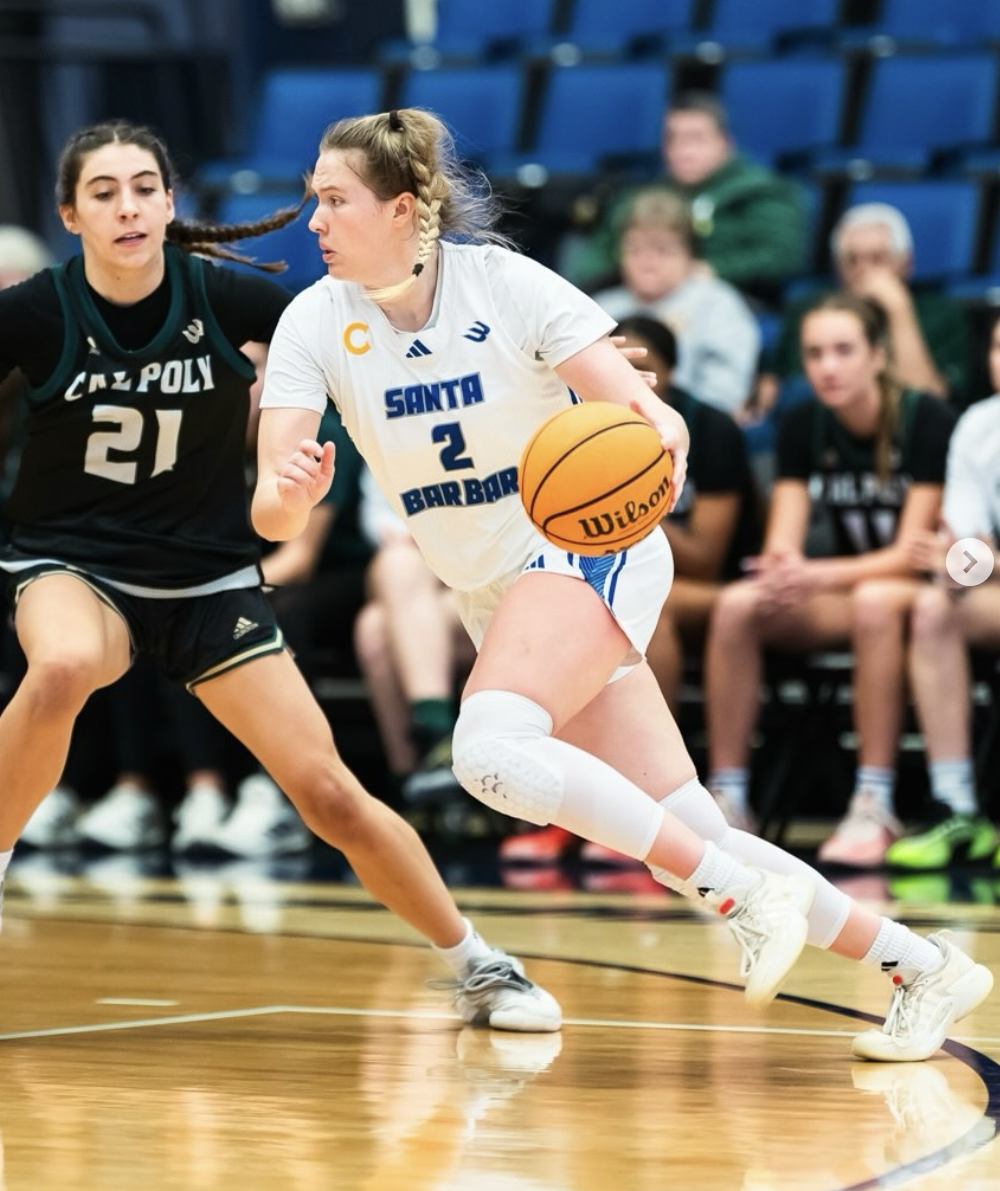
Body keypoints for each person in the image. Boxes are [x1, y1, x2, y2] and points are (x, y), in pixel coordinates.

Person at [254, 106, 992, 1059]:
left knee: (487, 753)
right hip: (495, 593)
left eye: (333, 200)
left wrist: (660, 444)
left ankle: (739, 898)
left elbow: (651, 416)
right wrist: (288, 493)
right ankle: (922, 966)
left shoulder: (507, 285)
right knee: (687, 827)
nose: (313, 220)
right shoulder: (314, 320)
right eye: (313, 199)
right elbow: (273, 514)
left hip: (582, 545)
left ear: (402, 208)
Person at [0, 120, 562, 1036]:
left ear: (171, 204)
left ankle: (479, 963)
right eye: (103, 193)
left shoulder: (237, 301)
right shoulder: (33, 310)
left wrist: (562, 365)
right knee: (62, 664)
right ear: (70, 215)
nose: (127, 207)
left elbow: (381, 328)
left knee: (329, 792)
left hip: (209, 576)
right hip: (75, 564)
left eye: (144, 188)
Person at [704, 293, 956, 866]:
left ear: (878, 356)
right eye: (815, 354)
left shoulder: (925, 418)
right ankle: (728, 798)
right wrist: (781, 567)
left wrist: (813, 573)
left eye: (844, 351)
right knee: (739, 604)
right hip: (843, 590)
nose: (828, 367)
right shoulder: (803, 423)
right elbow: (784, 537)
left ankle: (874, 801)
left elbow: (910, 554)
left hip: (916, 593)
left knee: (873, 601)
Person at [501, 315, 762, 865]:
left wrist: (628, 499)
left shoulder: (707, 428)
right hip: (605, 576)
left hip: (703, 587)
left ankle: (649, 803)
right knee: (568, 618)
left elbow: (707, 559)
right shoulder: (573, 425)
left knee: (637, 616)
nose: (619, 381)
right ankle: (573, 815)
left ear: (669, 375)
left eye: (640, 370)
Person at [884, 311, 1000, 870]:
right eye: (998, 347)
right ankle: (957, 807)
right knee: (934, 608)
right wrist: (959, 567)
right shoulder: (978, 425)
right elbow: (969, 553)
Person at [561, 91, 808, 304]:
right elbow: (593, 260)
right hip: (635, 300)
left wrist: (710, 269)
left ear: (726, 142)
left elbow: (782, 257)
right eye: (673, 139)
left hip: (727, 300)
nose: (683, 150)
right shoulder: (643, 197)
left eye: (696, 138)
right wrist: (632, 270)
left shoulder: (760, 191)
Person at [757, 202, 970, 425]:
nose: (863, 271)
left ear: (907, 263)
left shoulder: (940, 313)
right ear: (837, 268)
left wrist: (899, 311)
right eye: (852, 260)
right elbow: (787, 394)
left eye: (877, 259)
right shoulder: (811, 313)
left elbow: (931, 408)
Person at [590, 189, 761, 418]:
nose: (647, 261)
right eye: (635, 248)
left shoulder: (717, 304)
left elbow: (725, 388)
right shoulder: (599, 308)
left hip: (692, 425)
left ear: (690, 253)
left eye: (663, 250)